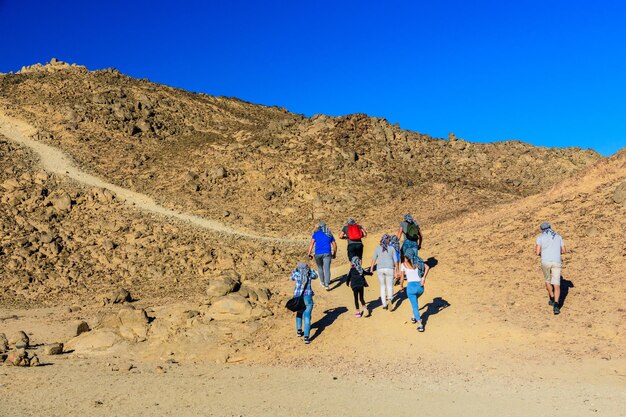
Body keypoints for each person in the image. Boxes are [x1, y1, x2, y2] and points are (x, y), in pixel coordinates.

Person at [535, 222, 566, 315]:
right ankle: (556, 304)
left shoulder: (540, 237)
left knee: (547, 280)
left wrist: (543, 253)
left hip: (545, 261)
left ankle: (552, 297)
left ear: (542, 230)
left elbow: (537, 252)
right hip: (556, 261)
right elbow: (564, 250)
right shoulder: (558, 236)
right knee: (557, 284)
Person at [290, 261, 318, 344]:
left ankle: (299, 331)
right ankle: (306, 337)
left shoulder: (297, 274)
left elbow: (291, 277)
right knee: (307, 316)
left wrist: (296, 269)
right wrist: (310, 269)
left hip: (298, 296)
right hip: (308, 297)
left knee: (299, 313)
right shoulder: (309, 274)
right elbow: (316, 276)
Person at [400, 256, 430, 332]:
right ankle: (413, 316)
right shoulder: (418, 262)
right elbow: (427, 267)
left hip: (411, 287)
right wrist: (423, 278)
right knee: (415, 302)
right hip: (420, 287)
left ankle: (420, 324)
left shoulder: (403, 264)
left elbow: (402, 277)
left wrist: (401, 286)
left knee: (414, 305)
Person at [369, 234, 399, 310]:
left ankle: (384, 304)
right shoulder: (392, 248)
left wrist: (371, 269)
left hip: (380, 269)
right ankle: (390, 299)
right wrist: (397, 271)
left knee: (382, 286)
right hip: (390, 268)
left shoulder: (377, 248)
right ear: (389, 241)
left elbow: (373, 259)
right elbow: (396, 261)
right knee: (389, 286)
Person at [307, 221, 337, 290]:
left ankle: (322, 282)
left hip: (318, 253)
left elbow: (311, 244)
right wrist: (334, 253)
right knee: (327, 269)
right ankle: (327, 285)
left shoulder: (316, 234)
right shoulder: (329, 234)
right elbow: (334, 245)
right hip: (327, 253)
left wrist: (309, 253)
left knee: (320, 267)